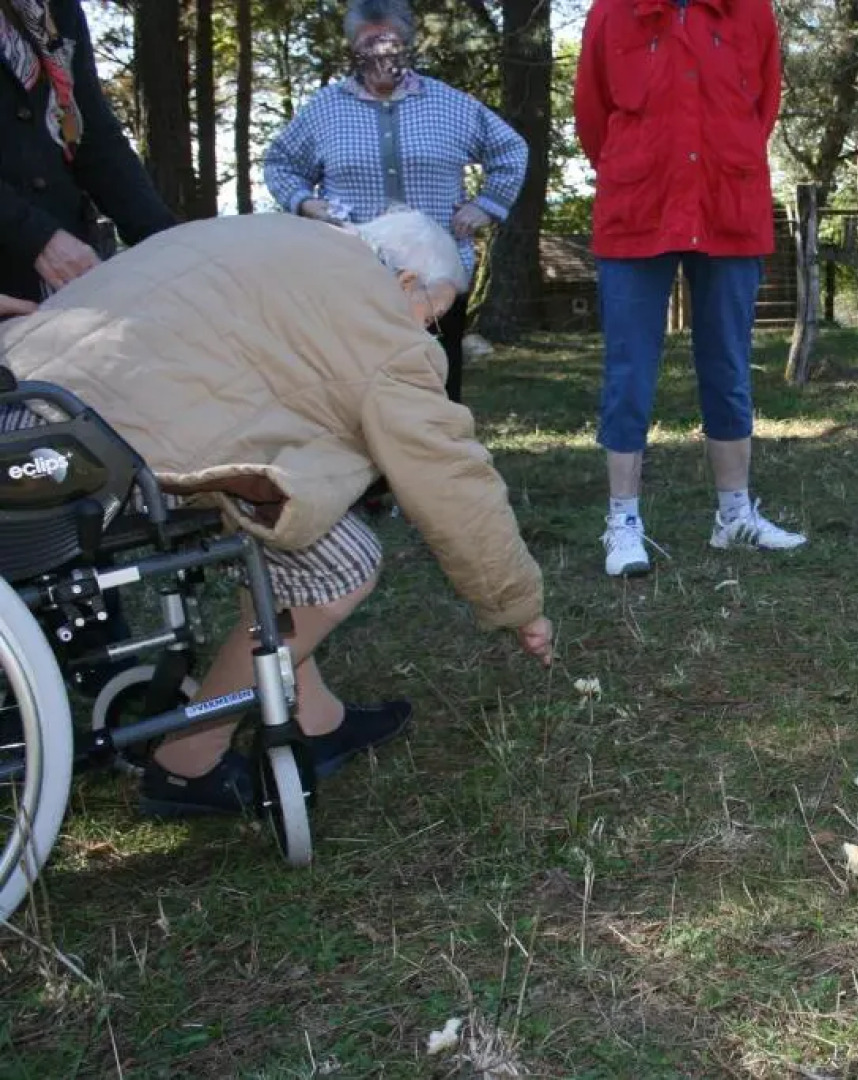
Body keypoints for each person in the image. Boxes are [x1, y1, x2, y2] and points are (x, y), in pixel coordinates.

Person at [0, 209, 555, 818]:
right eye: (434, 312)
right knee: (341, 563)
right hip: (74, 458)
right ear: (402, 282)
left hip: (20, 397)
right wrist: (518, 603)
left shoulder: (269, 231)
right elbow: (449, 475)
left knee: (290, 516)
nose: (430, 332)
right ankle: (189, 762)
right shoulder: (374, 312)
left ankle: (319, 720)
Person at [574, 0, 807, 578]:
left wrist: (723, 157)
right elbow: (591, 115)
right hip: (637, 208)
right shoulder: (611, 11)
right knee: (629, 371)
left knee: (728, 364)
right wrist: (642, 164)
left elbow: (764, 104)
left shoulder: (751, 11)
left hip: (728, 204)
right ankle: (622, 522)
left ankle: (734, 516)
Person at [262, 0, 529, 405]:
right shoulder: (324, 110)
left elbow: (511, 150)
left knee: (437, 389)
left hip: (437, 283)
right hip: (352, 277)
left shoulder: (451, 105)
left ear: (408, 43)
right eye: (369, 43)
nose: (380, 53)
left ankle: (438, 465)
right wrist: (304, 203)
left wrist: (487, 206)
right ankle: (368, 469)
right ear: (353, 46)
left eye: (390, 41)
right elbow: (281, 163)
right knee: (358, 391)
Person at [0, 0, 177, 306]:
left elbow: (96, 140)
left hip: (67, 286)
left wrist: (171, 245)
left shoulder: (57, 10)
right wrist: (36, 236)